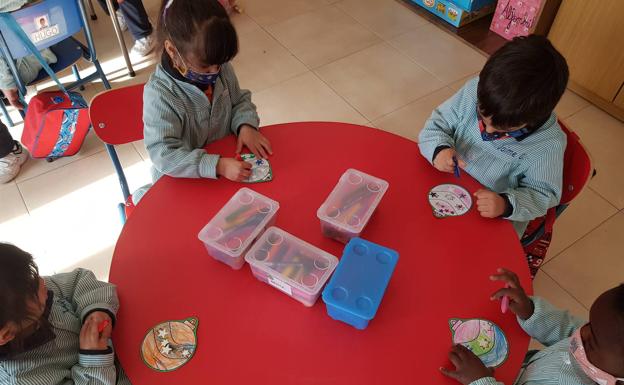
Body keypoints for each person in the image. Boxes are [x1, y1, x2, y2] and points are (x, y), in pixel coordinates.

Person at [418, 35, 569, 237]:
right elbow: (437, 124)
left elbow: (543, 194)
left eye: (502, 129)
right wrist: (439, 149)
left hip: (490, 216)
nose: (486, 132)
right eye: (481, 115)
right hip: (444, 184)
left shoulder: (549, 144)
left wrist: (505, 204)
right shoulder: (475, 91)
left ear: (533, 119)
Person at [133, 0, 271, 203]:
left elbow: (239, 101)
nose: (215, 73)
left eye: (219, 64)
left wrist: (245, 125)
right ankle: (143, 196)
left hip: (225, 172)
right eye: (206, 69)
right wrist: (217, 166)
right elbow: (163, 154)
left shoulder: (219, 67)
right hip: (185, 180)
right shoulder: (160, 95)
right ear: (172, 51)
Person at [440, 268, 624, 385]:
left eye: (592, 342)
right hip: (519, 369)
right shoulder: (600, 339)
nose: (581, 332)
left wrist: (480, 381)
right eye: (588, 323)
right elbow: (565, 329)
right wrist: (530, 311)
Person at [0, 243, 131, 384]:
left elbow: (79, 280)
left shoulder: (23, 289)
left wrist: (96, 309)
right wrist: (93, 358)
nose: (42, 281)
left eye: (32, 274)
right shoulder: (20, 378)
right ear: (7, 334)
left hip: (128, 335)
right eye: (32, 290)